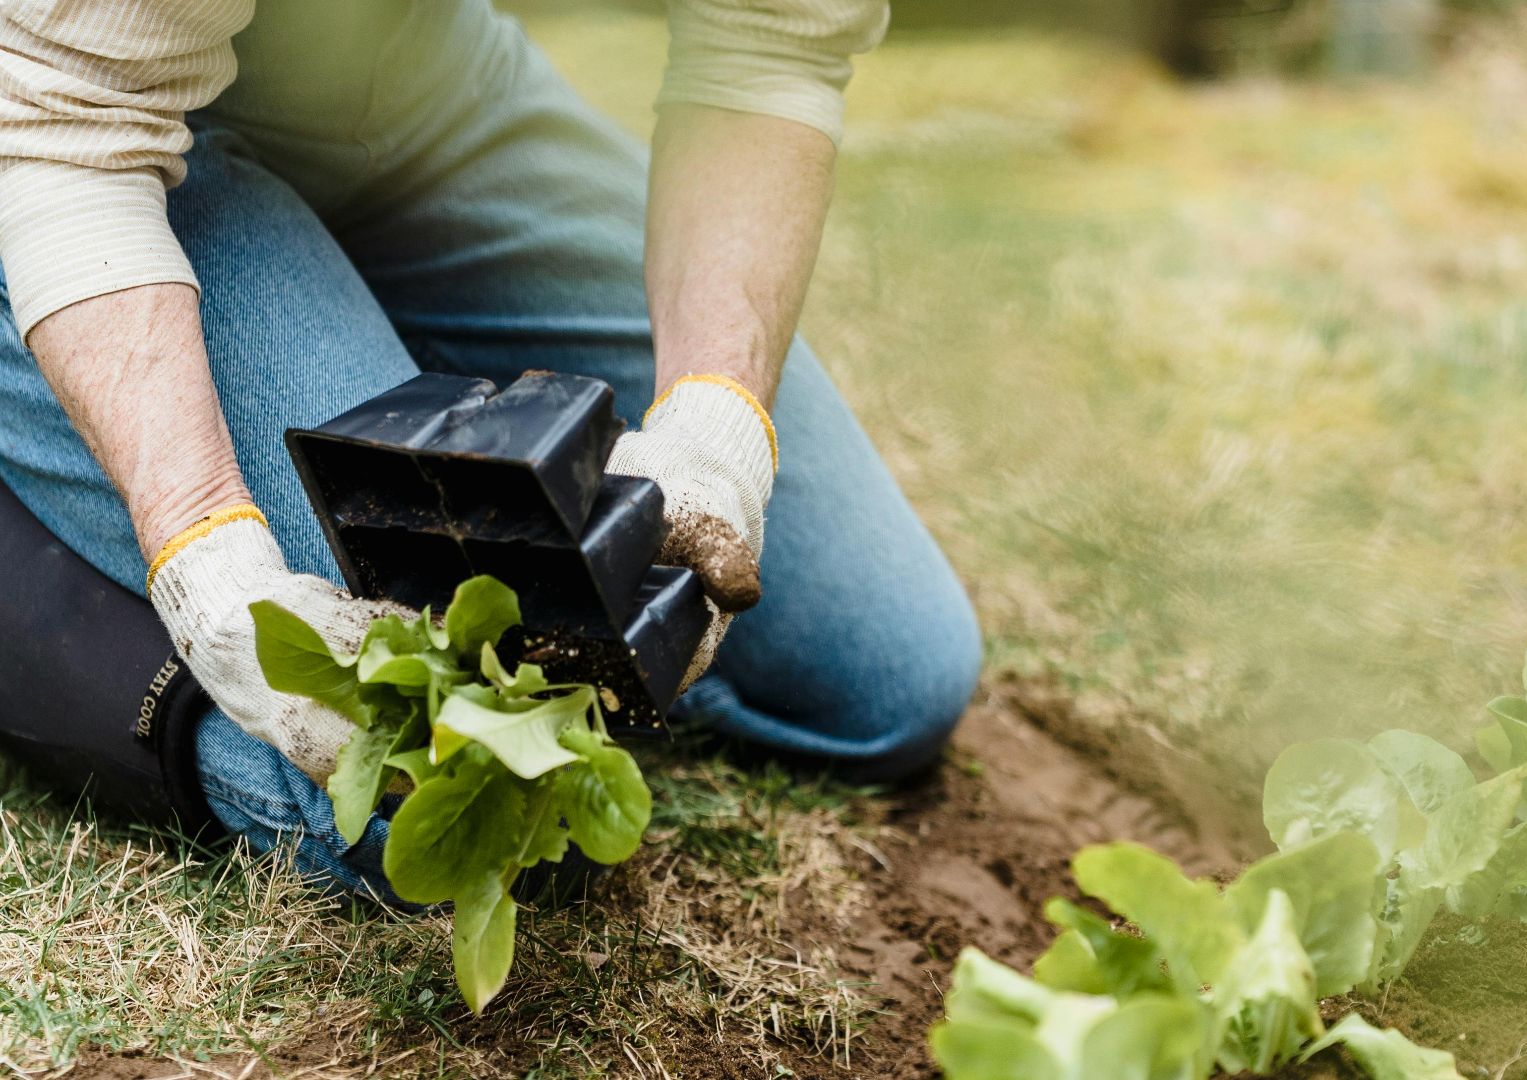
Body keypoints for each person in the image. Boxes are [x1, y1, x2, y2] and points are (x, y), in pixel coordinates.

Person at [0, 0, 981, 897]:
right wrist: (206, 566)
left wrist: (715, 426)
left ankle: (336, 320)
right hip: (75, 123)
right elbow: (68, 132)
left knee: (891, 679)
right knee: (441, 810)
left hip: (419, 84)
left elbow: (770, 43)